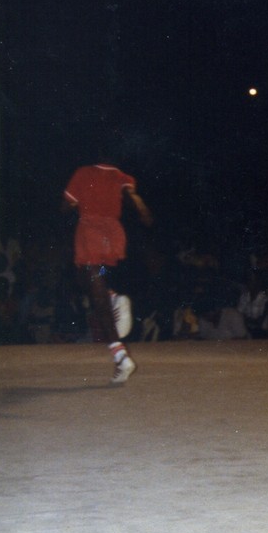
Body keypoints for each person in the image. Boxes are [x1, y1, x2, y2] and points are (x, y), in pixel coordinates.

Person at [61, 162, 153, 383]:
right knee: (96, 277)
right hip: (112, 234)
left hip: (91, 231)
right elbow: (133, 197)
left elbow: (67, 205)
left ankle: (120, 354)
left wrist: (72, 204)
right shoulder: (119, 175)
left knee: (92, 287)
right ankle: (112, 297)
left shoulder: (82, 172)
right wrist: (142, 210)